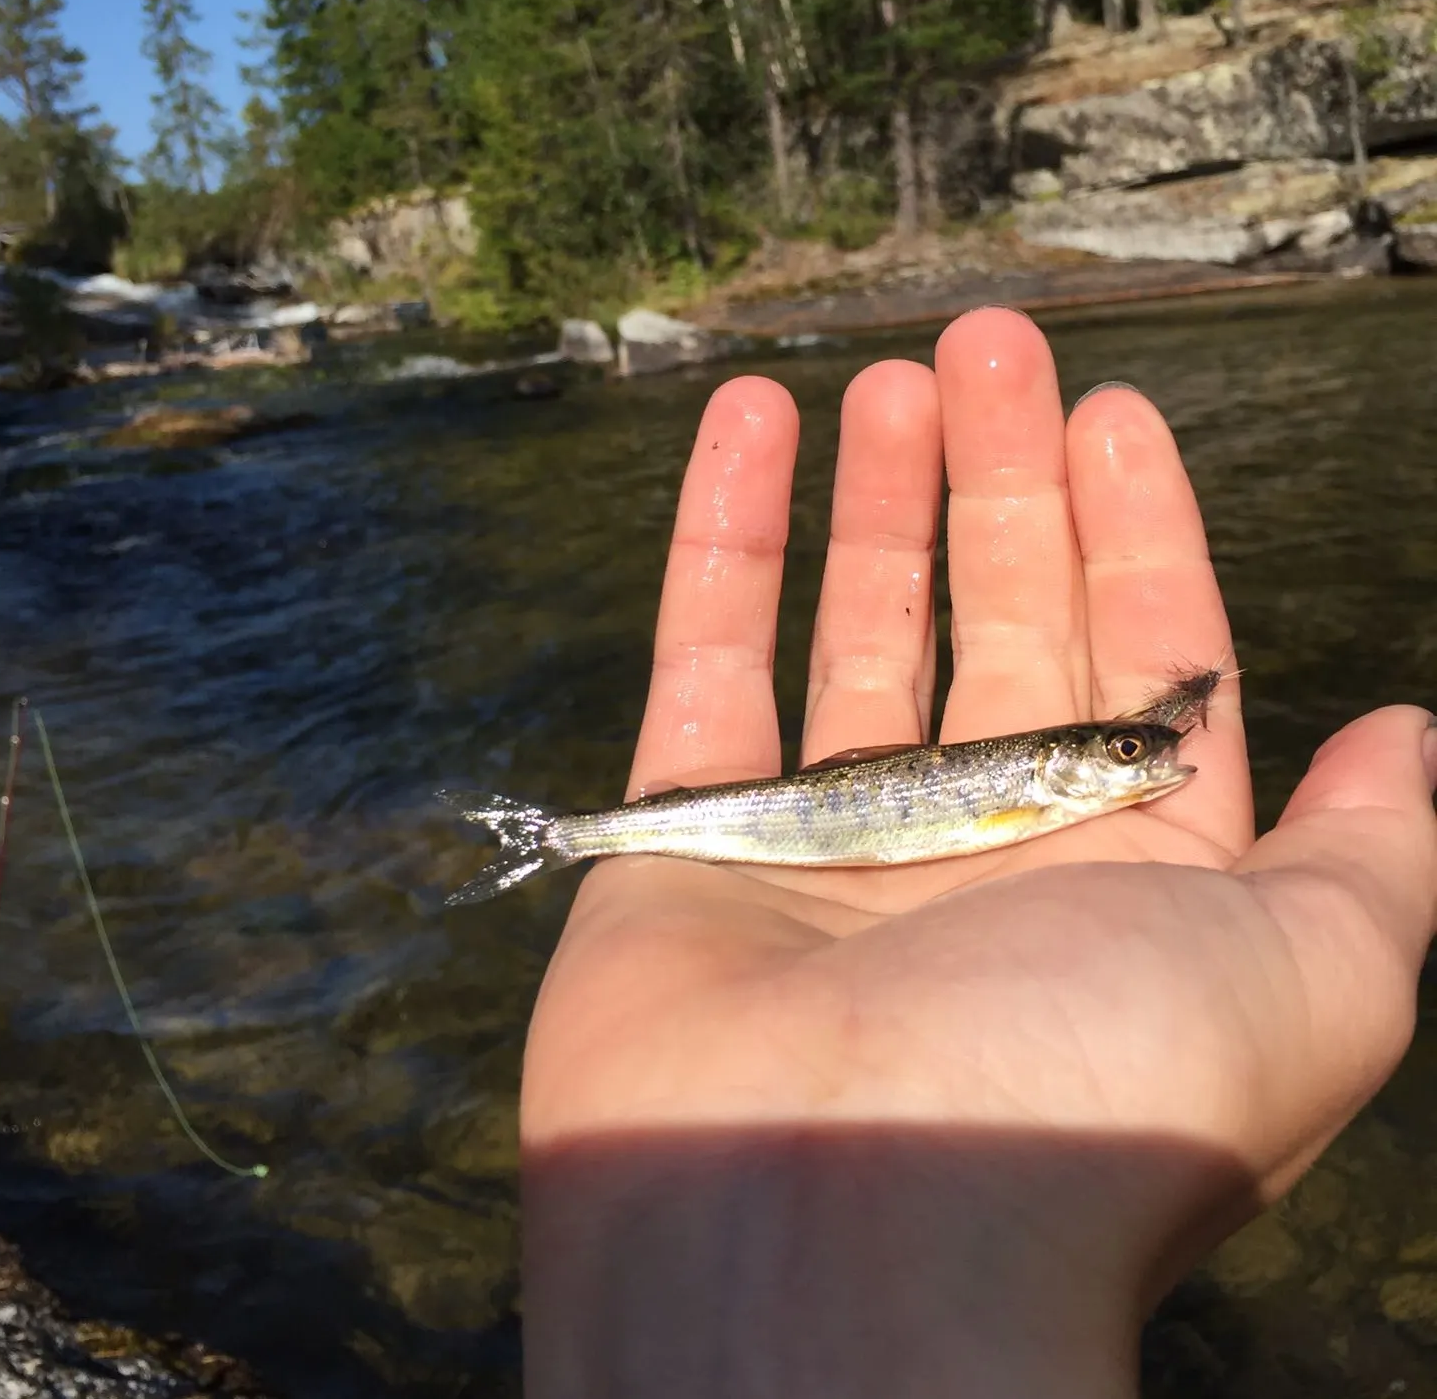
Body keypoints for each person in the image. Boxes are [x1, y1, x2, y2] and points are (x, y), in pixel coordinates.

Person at [518, 307, 1437, 1397]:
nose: (1147, 759)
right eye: (1129, 750)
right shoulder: (1036, 796)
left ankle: (565, 838)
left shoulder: (1053, 796)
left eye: (1135, 749)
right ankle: (564, 838)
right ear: (1073, 763)